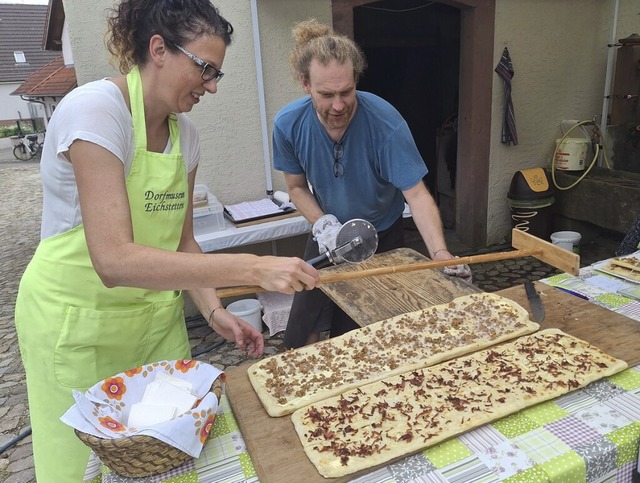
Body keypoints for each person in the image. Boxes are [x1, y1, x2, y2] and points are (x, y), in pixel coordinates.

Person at [14, 2, 319, 481]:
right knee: (84, 469)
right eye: (205, 69)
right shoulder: (96, 111)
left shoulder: (187, 137)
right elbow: (113, 260)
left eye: (217, 73)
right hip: (78, 326)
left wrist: (215, 311)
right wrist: (252, 268)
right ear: (159, 49)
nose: (212, 86)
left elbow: (183, 245)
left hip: (155, 325)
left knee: (172, 458)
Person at [272, 19, 471, 349]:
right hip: (327, 234)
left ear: (356, 81)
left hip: (380, 234)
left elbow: (417, 194)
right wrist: (322, 224)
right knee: (303, 325)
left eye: (346, 92)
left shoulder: (385, 123)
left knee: (361, 332)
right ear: (305, 84)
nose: (338, 105)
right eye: (326, 94)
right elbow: (296, 187)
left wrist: (440, 253)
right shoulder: (288, 124)